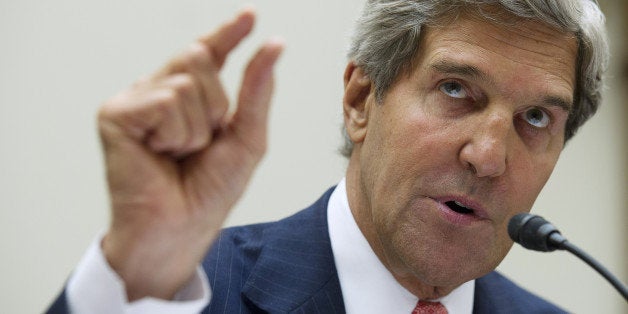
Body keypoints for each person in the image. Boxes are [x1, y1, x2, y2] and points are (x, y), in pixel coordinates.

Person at [47, 0, 609, 313]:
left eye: (536, 118)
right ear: (361, 99)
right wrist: (139, 270)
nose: (488, 157)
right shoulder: (182, 292)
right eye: (456, 89)